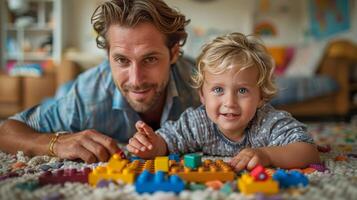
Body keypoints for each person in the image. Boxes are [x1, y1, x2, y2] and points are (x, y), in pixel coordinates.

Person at [0, 0, 200, 163]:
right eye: (122, 60)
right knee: (59, 98)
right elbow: (7, 131)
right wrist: (56, 142)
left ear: (173, 54)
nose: (136, 79)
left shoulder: (200, 85)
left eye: (150, 59)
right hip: (76, 92)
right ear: (108, 54)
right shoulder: (86, 97)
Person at [127, 32, 320, 171]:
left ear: (261, 96)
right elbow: (169, 141)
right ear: (202, 96)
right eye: (218, 90)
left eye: (242, 90)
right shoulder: (198, 122)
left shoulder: (269, 122)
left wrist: (267, 155)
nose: (230, 102)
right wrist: (152, 145)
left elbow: (308, 151)